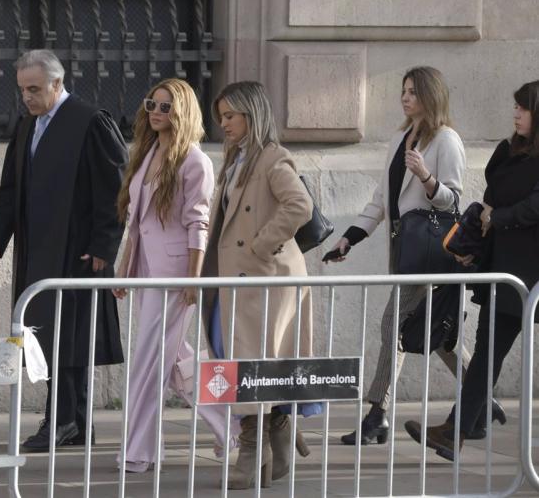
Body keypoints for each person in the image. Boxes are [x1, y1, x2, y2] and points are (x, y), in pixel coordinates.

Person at [325, 66, 505, 445]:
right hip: (403, 249)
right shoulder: (400, 138)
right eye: (403, 91)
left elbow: (452, 200)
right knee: (433, 331)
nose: (405, 98)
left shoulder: (446, 140)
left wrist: (425, 176)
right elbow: (381, 199)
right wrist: (349, 239)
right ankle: (481, 399)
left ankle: (378, 414)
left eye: (412, 92)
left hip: (429, 251)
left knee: (394, 324)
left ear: (430, 95)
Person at [0, 50, 128, 451]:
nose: (26, 97)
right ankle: (76, 423)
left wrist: (103, 246)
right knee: (50, 334)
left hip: (78, 251)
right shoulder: (28, 125)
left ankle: (62, 421)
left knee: (69, 336)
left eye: (34, 89)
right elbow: (11, 186)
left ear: (57, 83)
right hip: (38, 249)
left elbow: (115, 188)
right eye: (22, 90)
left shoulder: (90, 122)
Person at [404, 80, 539, 460]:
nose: (515, 113)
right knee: (487, 351)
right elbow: (489, 202)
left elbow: (533, 207)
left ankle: (462, 426)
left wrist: (500, 217)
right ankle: (461, 429)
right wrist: (475, 244)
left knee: (488, 352)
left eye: (523, 108)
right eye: (515, 106)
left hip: (531, 271)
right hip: (502, 269)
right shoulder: (507, 150)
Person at [112, 78, 237, 473]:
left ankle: (140, 450)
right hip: (147, 271)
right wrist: (125, 266)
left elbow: (199, 224)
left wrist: (192, 280)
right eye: (152, 103)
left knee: (148, 363)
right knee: (175, 359)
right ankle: (233, 425)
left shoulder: (195, 161)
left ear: (181, 112)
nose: (156, 112)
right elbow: (137, 222)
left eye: (165, 107)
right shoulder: (147, 152)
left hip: (175, 275)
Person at [201, 81, 313, 490]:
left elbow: (300, 205)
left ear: (253, 114)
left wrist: (262, 244)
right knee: (239, 360)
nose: (224, 123)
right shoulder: (237, 158)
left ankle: (254, 450)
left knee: (252, 365)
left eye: (231, 115)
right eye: (221, 116)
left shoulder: (271, 157)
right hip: (237, 279)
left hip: (265, 279)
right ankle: (277, 434)